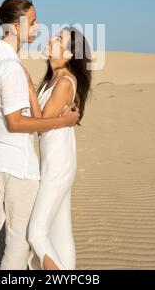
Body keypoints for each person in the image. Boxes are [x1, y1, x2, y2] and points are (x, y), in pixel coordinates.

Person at [0, 0, 80, 270]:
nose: (39, 28)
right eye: (33, 21)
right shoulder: (12, 67)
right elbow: (16, 122)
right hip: (16, 166)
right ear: (16, 26)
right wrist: (62, 122)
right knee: (19, 242)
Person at [26, 27, 92, 270]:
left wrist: (27, 86)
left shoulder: (65, 81)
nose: (51, 40)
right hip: (53, 161)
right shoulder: (53, 79)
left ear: (70, 54)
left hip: (58, 163)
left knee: (36, 232)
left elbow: (41, 123)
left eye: (59, 39)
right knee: (60, 232)